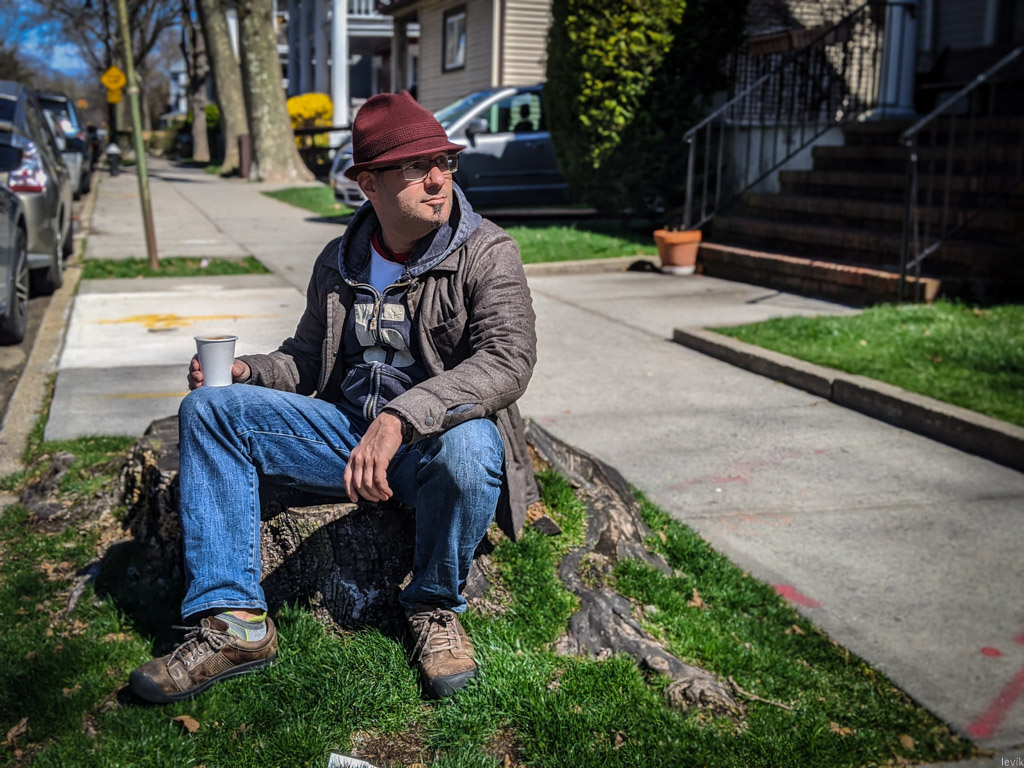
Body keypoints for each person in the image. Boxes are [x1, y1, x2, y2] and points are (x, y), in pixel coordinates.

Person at [128, 90, 539, 704]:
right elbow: (304, 359)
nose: (438, 180)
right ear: (368, 184)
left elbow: (507, 361)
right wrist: (248, 371)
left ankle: (433, 605)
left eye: (444, 162)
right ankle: (236, 623)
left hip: (432, 443)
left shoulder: (487, 251)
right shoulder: (339, 260)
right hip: (345, 436)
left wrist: (401, 418)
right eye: (416, 167)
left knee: (471, 447)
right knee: (208, 409)